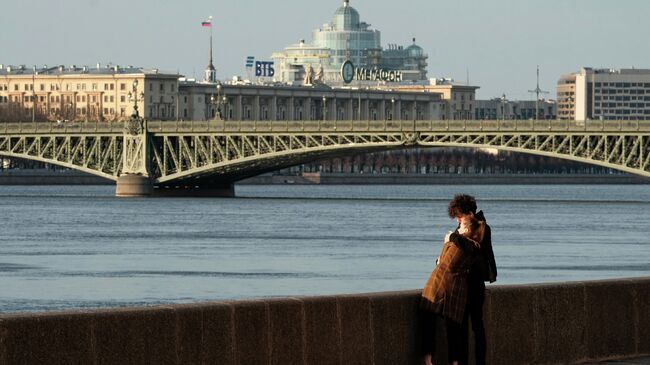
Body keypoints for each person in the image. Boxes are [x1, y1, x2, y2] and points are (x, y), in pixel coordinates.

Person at [420, 215, 485, 365]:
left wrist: (447, 241)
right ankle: (454, 362)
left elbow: (445, 264)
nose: (458, 227)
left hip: (440, 286)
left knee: (428, 321)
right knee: (453, 329)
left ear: (467, 229)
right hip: (458, 290)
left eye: (461, 225)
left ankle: (428, 361)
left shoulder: (457, 244)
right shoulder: (474, 246)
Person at [447, 194, 497, 365]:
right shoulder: (461, 228)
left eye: (459, 216)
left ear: (469, 213)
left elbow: (472, 249)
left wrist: (453, 238)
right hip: (461, 283)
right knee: (462, 327)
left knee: (476, 325)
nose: (457, 220)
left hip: (474, 283)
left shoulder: (482, 227)